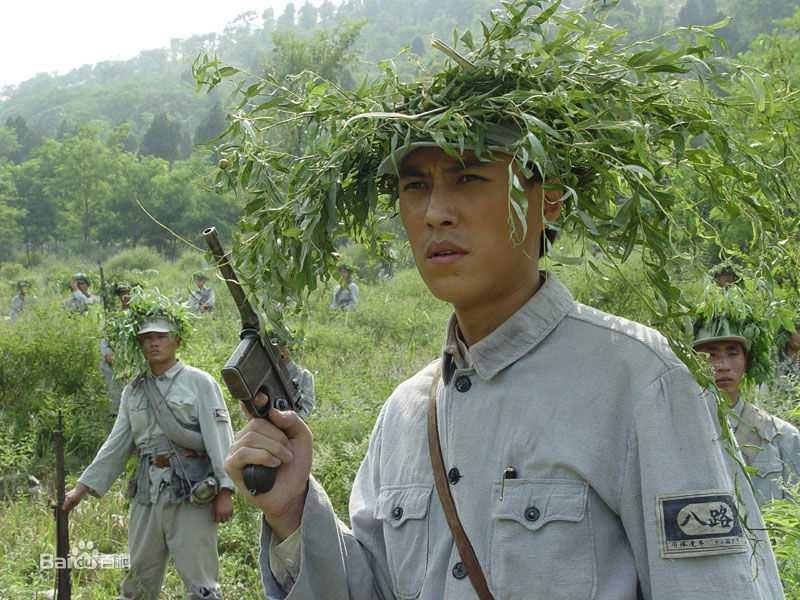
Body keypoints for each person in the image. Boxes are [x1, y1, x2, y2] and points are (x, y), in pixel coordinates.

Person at [223, 144, 785, 598]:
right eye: (415, 185)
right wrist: (293, 513)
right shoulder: (405, 411)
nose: (435, 211)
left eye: (467, 176)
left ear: (550, 200)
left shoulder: (642, 379)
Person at [63, 304, 235, 600]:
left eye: (161, 336)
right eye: (147, 338)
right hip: (147, 491)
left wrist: (225, 491)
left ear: (177, 340)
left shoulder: (200, 383)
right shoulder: (134, 390)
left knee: (201, 582)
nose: (154, 343)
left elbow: (220, 439)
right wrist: (80, 490)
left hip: (191, 491)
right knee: (139, 578)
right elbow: (116, 445)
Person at [693, 317, 800, 505]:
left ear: (746, 362)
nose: (723, 366)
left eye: (732, 353)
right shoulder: (679, 434)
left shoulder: (782, 437)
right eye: (710, 355)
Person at [99, 283, 134, 417]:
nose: (125, 296)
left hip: (133, 358)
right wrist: (108, 353)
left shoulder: (140, 314)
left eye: (127, 292)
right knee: (115, 391)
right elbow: (105, 336)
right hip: (116, 357)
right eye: (122, 293)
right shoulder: (113, 316)